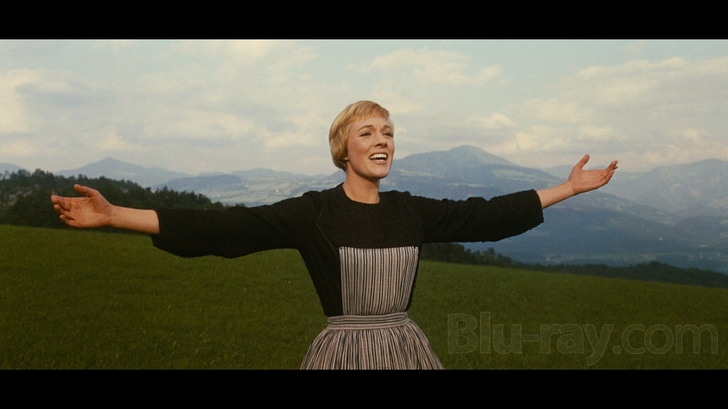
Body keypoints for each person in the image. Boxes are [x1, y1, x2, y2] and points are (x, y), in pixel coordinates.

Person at [51, 100, 618, 369]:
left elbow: (487, 215)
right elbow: (225, 229)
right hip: (343, 354)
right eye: (367, 132)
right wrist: (115, 215)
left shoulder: (411, 212)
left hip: (406, 352)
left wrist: (567, 188)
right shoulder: (313, 214)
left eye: (388, 132)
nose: (382, 140)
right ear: (343, 149)